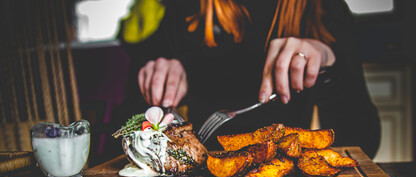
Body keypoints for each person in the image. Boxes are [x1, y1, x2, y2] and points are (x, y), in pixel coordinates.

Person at [117, 0, 381, 158]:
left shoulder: (324, 8)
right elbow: (127, 129)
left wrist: (327, 68)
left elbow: (364, 144)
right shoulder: (185, 7)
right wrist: (161, 82)